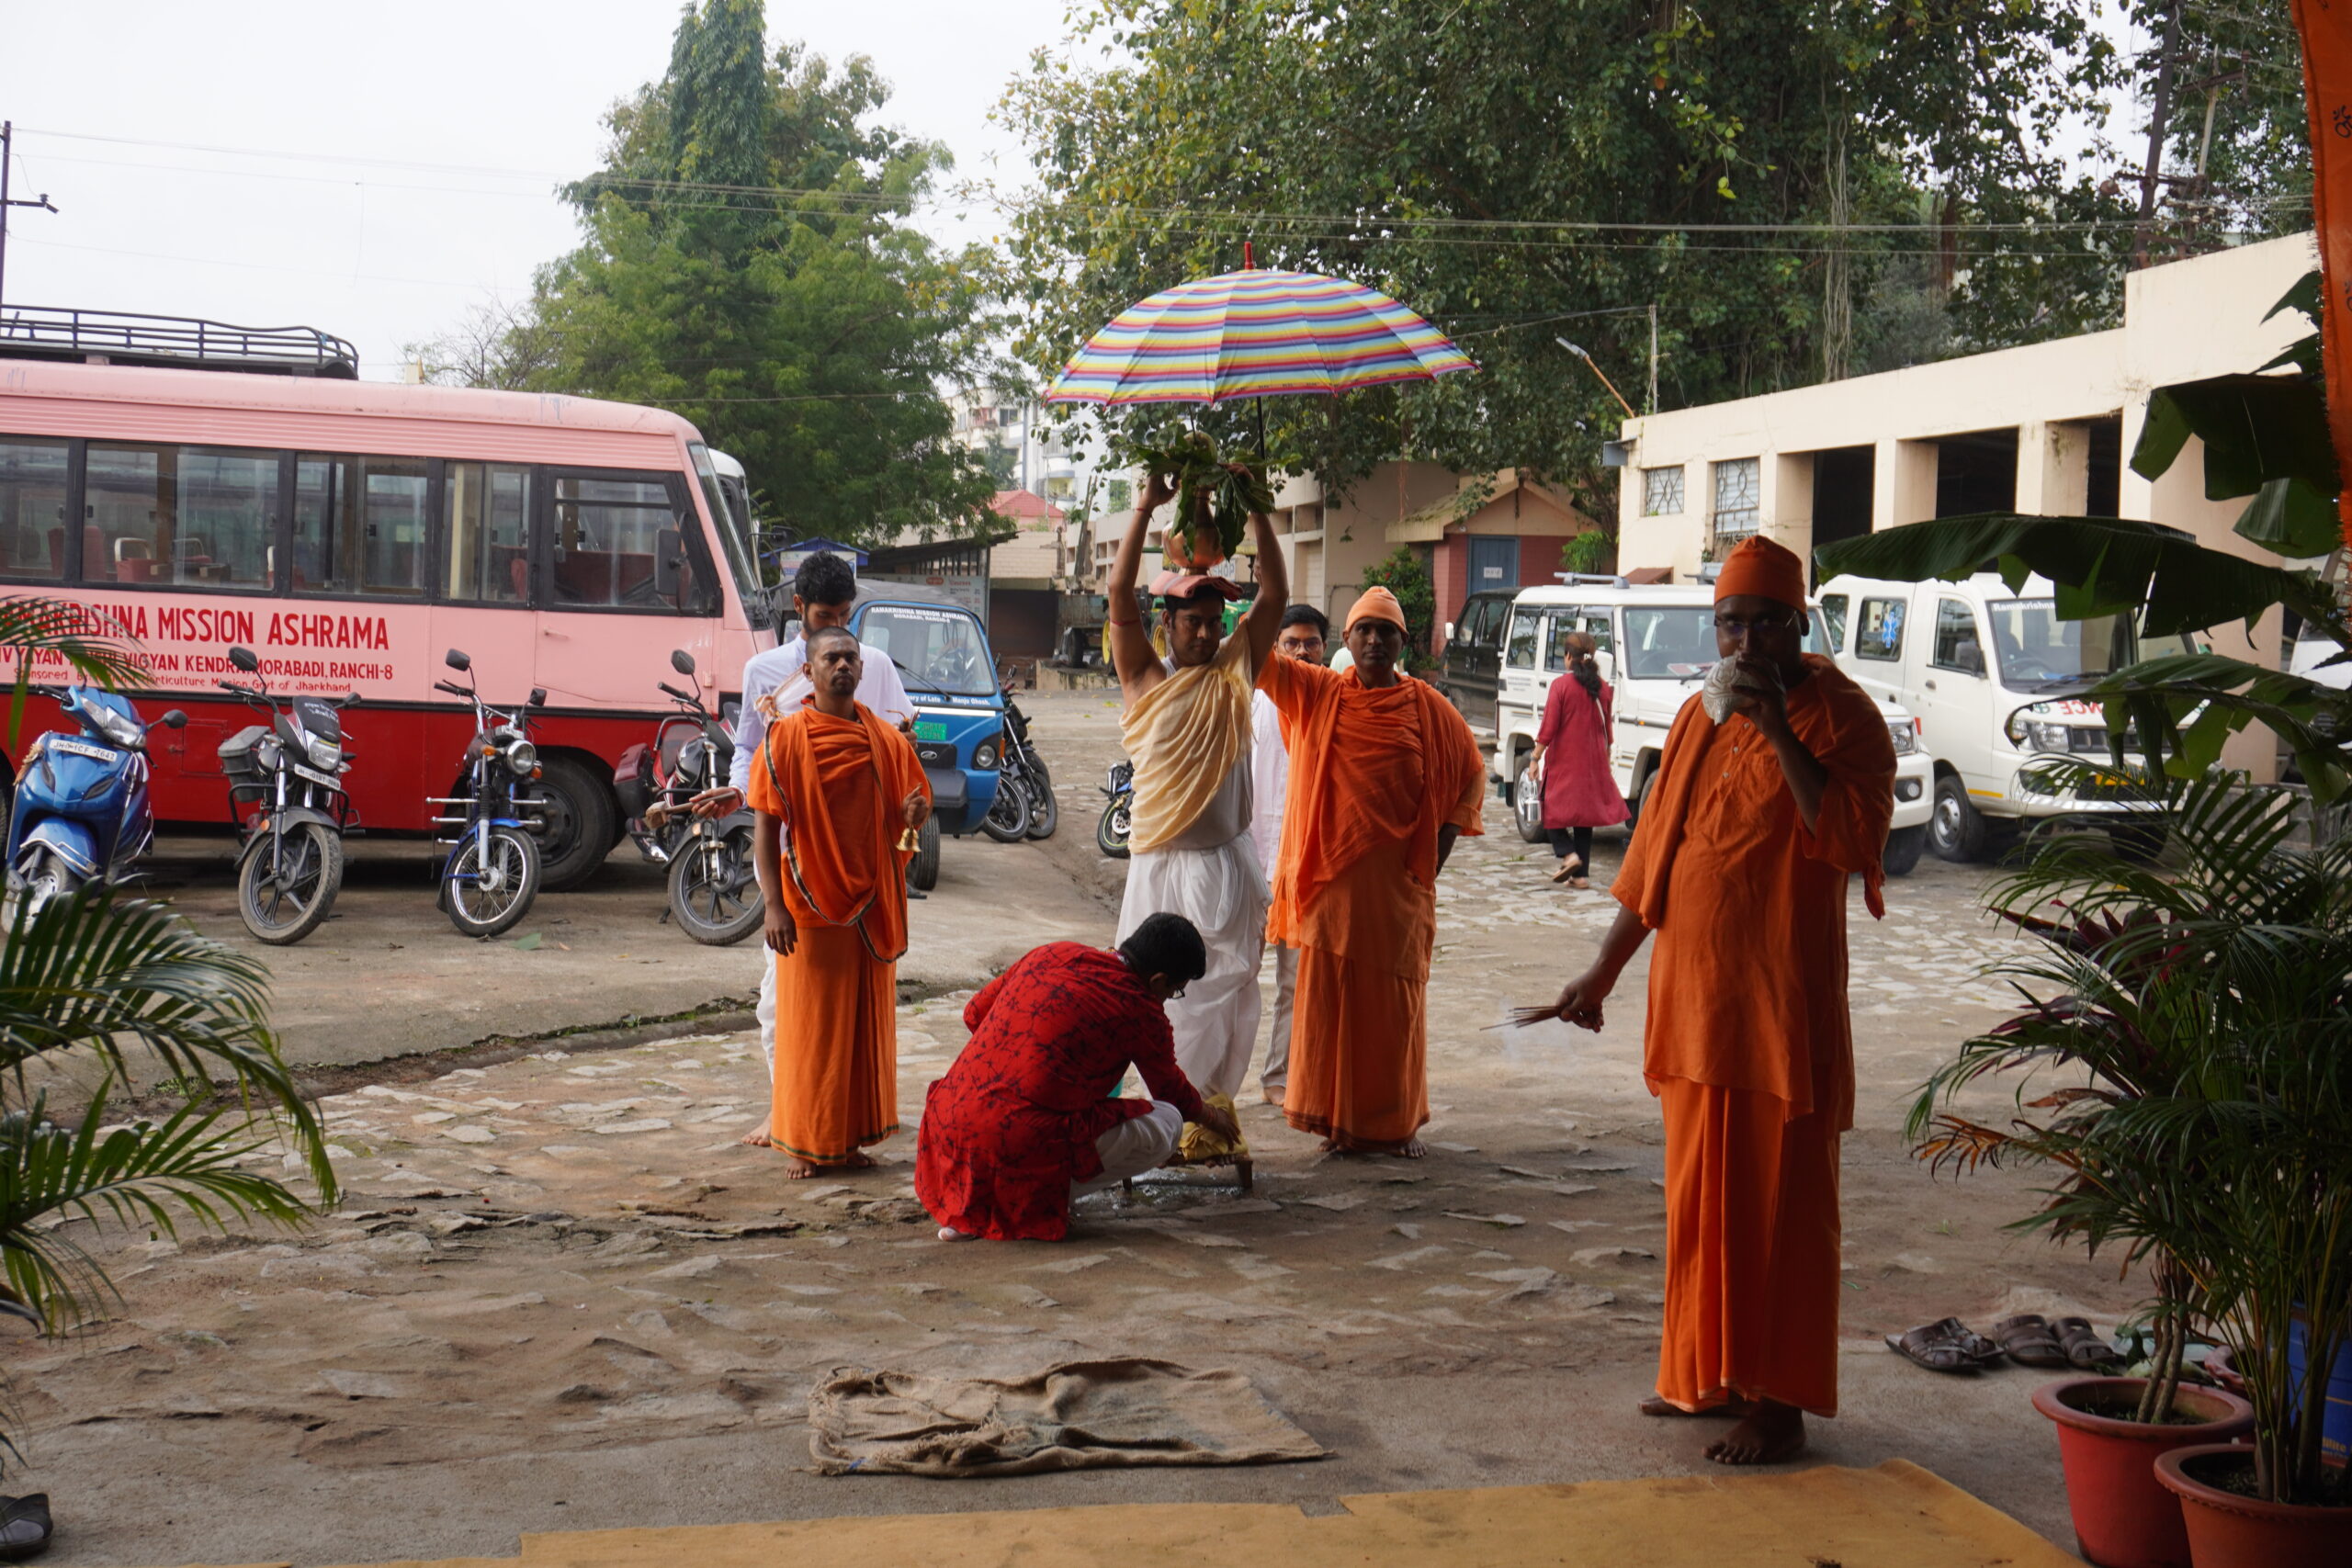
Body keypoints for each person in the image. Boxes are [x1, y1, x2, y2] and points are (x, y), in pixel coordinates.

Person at [1544, 535, 1895, 1466]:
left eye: (1764, 623)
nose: (1744, 642)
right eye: (1729, 624)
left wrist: (1778, 728)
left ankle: (1778, 1404)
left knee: (1780, 1208)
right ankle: (1706, 1374)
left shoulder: (1846, 718)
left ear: (1799, 624)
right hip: (1697, 1006)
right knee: (1702, 1202)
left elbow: (1851, 842)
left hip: (1781, 1009)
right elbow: (1654, 859)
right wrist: (1602, 970)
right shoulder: (1699, 717)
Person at [684, 551, 913, 1144]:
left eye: (844, 618)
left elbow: (897, 742)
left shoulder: (873, 665)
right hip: (796, 859)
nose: (836, 633)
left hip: (864, 859)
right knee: (782, 999)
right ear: (798, 608)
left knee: (859, 1000)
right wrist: (740, 792)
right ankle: (788, 1112)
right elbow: (750, 750)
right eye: (823, 617)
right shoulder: (765, 671)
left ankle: (848, 1119)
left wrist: (909, 800)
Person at [1255, 586, 1486, 1157]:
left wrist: (1437, 852)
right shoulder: (1318, 691)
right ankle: (1339, 1124)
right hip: (1332, 892)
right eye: (1365, 630)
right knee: (1333, 1012)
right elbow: (1254, 656)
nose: (1376, 640)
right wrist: (1267, 584)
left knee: (1394, 1014)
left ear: (1403, 642)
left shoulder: (1427, 707)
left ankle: (1396, 1126)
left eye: (1387, 632)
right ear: (1347, 640)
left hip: (1397, 894)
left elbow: (1470, 772)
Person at [1102, 473, 1289, 1107]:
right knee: (1154, 995)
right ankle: (1161, 1114)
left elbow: (1275, 595)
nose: (1206, 635)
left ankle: (1206, 1113)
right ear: (1168, 622)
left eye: (1214, 623)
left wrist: (1257, 508)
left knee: (1224, 995)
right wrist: (1143, 509)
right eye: (1193, 624)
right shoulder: (1144, 677)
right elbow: (1118, 594)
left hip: (1228, 864)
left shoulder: (1236, 670)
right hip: (1159, 867)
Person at [916, 914, 1244, 1242]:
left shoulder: (1055, 953)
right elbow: (1170, 1091)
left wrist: (1022, 1054)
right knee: (1168, 1122)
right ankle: (1028, 1204)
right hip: (1013, 1140)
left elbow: (974, 1013)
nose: (1169, 999)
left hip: (948, 1122)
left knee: (1036, 1111)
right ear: (1158, 980)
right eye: (1175, 991)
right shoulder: (1141, 1008)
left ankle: (970, 1212)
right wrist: (1212, 1117)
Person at [747, 626, 933, 1179]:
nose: (843, 666)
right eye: (832, 658)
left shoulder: (887, 740)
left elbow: (907, 825)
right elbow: (766, 830)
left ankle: (846, 1139)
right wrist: (773, 906)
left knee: (860, 1027)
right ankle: (803, 1141)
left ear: (862, 667)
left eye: (851, 657)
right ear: (810, 670)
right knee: (811, 1027)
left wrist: (913, 818)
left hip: (871, 902)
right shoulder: (785, 739)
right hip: (809, 901)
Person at [1248, 604, 1327, 1104]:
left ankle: (1278, 1077)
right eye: (1291, 643)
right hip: (1249, 862)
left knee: (1294, 982)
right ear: (1275, 649)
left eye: (1310, 643)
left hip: (1303, 869)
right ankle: (1210, 1083)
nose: (1301, 651)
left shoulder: (1332, 707)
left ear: (1325, 649)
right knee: (1233, 978)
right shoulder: (1252, 702)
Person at [1530, 631, 1627, 889]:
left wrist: (1534, 758)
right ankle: (1580, 876)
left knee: (1548, 808)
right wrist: (1606, 758)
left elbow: (1549, 728)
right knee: (1585, 819)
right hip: (1594, 762)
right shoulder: (1603, 688)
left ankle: (1568, 854)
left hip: (1565, 760)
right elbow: (1607, 729)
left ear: (1568, 656)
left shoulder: (1561, 686)